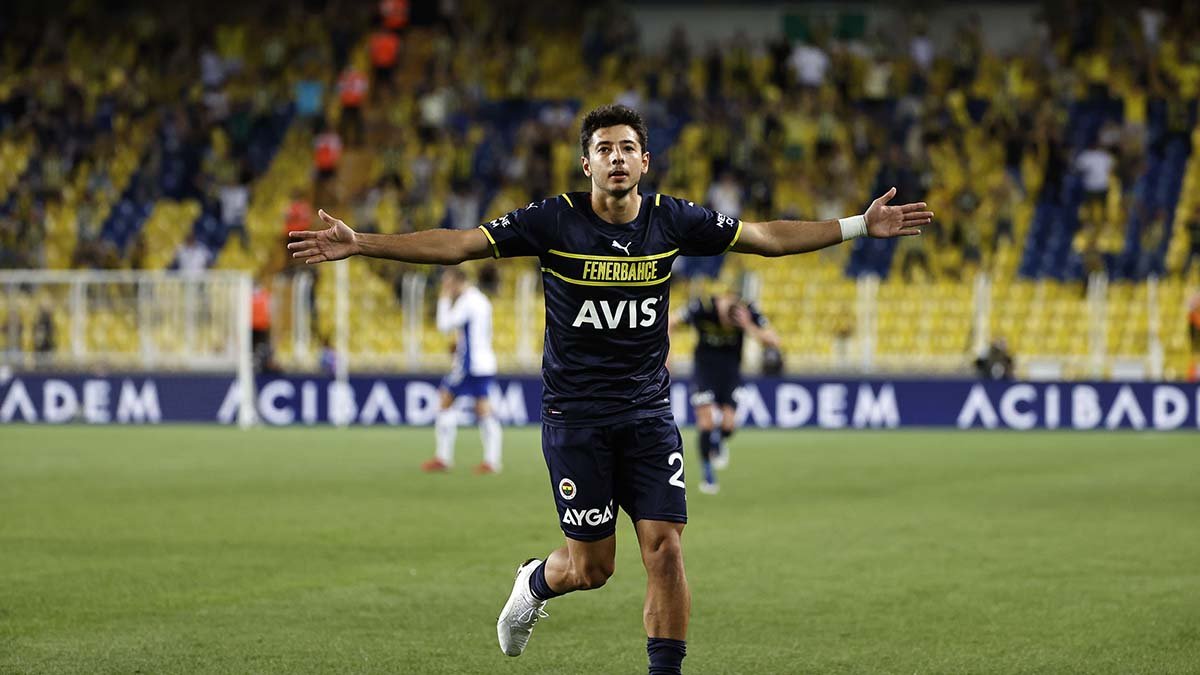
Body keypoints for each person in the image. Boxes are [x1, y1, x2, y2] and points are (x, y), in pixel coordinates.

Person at [288, 104, 932, 674]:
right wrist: (362, 243)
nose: (617, 158)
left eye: (627, 148)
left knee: (666, 549)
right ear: (587, 163)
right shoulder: (553, 220)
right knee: (592, 569)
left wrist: (857, 225)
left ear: (645, 162)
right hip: (576, 418)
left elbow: (764, 237)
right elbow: (460, 245)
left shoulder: (673, 219)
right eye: (604, 149)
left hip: (648, 413)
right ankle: (535, 582)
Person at [669, 290, 780, 494]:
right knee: (706, 422)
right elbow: (671, 322)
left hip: (731, 374)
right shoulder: (702, 307)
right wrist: (667, 356)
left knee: (728, 425)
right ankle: (707, 473)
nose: (727, 327)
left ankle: (718, 440)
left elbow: (774, 340)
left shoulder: (747, 311)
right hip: (704, 372)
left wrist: (748, 326)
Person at [420, 267, 503, 474]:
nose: (445, 286)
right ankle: (491, 460)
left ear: (457, 282)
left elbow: (444, 325)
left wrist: (444, 299)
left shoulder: (467, 301)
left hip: (470, 365)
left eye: (447, 283)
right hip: (484, 361)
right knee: (483, 408)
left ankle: (443, 457)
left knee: (445, 401)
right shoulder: (481, 300)